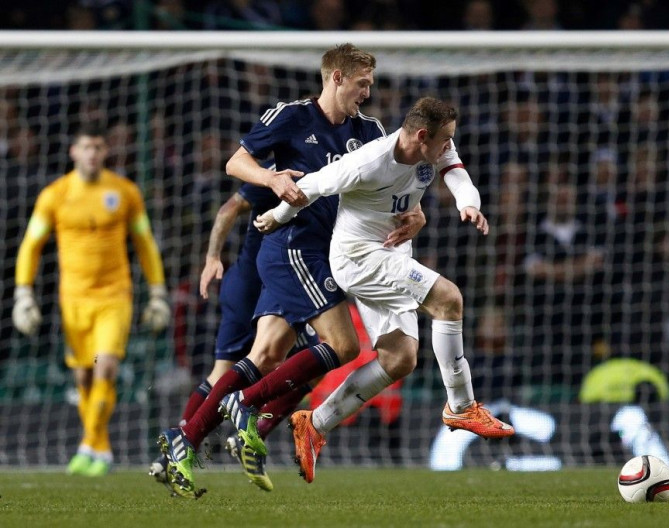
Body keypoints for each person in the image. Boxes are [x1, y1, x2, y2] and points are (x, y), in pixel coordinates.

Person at [156, 43, 426, 499]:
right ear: (335, 78)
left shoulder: (372, 130)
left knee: (267, 355)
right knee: (342, 346)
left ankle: (185, 442)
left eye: (372, 83)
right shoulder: (290, 116)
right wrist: (272, 179)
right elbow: (235, 163)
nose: (368, 91)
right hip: (293, 246)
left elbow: (396, 185)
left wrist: (414, 213)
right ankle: (247, 413)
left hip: (332, 252)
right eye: (362, 83)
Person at [255, 96, 515, 483]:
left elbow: (456, 171)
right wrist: (275, 217)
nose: (449, 146)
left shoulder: (436, 146)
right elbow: (308, 187)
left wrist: (469, 203)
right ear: (422, 136)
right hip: (359, 259)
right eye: (444, 140)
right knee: (449, 299)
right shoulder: (369, 161)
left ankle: (315, 425)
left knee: (400, 359)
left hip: (391, 255)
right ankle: (461, 405)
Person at [12, 124, 171, 476]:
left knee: (106, 367)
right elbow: (31, 245)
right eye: (86, 147)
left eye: (98, 147)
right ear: (74, 152)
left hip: (115, 296)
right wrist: (23, 294)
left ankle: (87, 443)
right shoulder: (55, 195)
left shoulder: (125, 191)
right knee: (83, 378)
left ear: (106, 152)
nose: (92, 154)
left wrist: (157, 293)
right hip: (73, 301)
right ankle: (100, 449)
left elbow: (145, 244)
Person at [148, 171, 320, 493]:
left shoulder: (322, 162)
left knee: (315, 359)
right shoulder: (277, 173)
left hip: (267, 283)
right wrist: (212, 257)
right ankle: (199, 442)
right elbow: (229, 208)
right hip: (257, 286)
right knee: (315, 354)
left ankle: (176, 452)